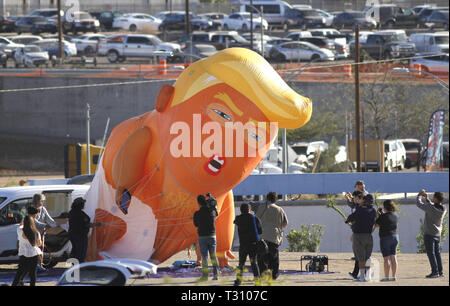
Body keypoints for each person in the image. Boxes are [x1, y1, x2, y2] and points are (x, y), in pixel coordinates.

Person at [255, 191, 288, 281]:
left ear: (267, 198)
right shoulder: (280, 209)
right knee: (274, 257)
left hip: (262, 236)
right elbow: (285, 223)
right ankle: (274, 276)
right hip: (274, 236)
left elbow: (256, 219)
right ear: (275, 199)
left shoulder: (261, 207)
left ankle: (262, 275)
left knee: (262, 258)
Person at [346, 192, 376, 282]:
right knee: (368, 257)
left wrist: (351, 221)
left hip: (358, 235)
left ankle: (362, 276)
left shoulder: (360, 209)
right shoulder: (373, 211)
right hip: (369, 235)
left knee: (360, 257)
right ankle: (368, 276)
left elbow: (350, 218)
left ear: (365, 201)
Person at [416, 190, 447, 278]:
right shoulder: (444, 208)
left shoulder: (430, 208)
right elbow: (433, 207)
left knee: (431, 253)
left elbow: (419, 204)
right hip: (438, 233)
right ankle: (440, 272)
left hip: (429, 233)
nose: (432, 198)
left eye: (434, 197)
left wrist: (419, 195)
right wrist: (427, 199)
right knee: (437, 253)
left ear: (436, 199)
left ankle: (434, 272)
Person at [11, 206, 42, 286]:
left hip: (23, 253)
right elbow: (39, 244)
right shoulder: (36, 232)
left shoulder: (19, 230)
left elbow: (21, 227)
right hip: (34, 253)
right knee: (33, 274)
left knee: (19, 273)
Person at [233, 203, 263, 286]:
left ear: (241, 210)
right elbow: (260, 231)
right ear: (249, 210)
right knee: (254, 262)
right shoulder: (254, 218)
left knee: (241, 264)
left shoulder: (238, 218)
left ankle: (238, 281)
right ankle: (257, 280)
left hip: (243, 245)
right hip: (253, 244)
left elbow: (235, 222)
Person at [193, 194, 219, 281]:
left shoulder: (197, 213)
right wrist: (211, 197)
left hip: (202, 237)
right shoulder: (211, 211)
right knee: (213, 256)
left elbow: (196, 224)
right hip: (212, 236)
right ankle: (216, 275)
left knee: (204, 257)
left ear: (198, 203)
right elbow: (215, 206)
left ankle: (205, 276)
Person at [375, 200, 399, 281]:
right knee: (393, 257)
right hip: (395, 236)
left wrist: (379, 216)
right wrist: (382, 215)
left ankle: (386, 277)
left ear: (384, 207)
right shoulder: (395, 215)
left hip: (385, 237)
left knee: (386, 258)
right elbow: (388, 220)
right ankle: (394, 276)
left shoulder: (382, 216)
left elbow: (376, 225)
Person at [68, 197, 95, 264]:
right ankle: (79, 265)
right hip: (80, 235)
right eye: (83, 203)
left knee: (75, 250)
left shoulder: (71, 212)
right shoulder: (80, 213)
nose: (84, 205)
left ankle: (74, 264)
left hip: (72, 234)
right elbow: (86, 224)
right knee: (81, 252)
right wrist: (97, 224)